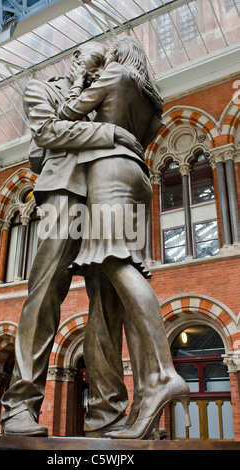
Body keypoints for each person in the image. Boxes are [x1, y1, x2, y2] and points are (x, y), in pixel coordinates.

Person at [0, 41, 143, 436]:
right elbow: (47, 133)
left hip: (109, 194)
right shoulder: (41, 89)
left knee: (107, 303)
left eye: (103, 62)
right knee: (45, 293)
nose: (96, 67)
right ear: (75, 59)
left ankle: (107, 413)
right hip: (64, 190)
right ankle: (19, 408)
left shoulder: (110, 89)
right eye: (90, 60)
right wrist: (110, 131)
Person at [59, 36, 190, 439]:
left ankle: (161, 375)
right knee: (112, 277)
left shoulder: (113, 74)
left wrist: (82, 76)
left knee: (115, 263)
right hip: (138, 175)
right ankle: (135, 398)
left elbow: (68, 113)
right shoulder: (150, 96)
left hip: (110, 173)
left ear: (117, 54)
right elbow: (146, 136)